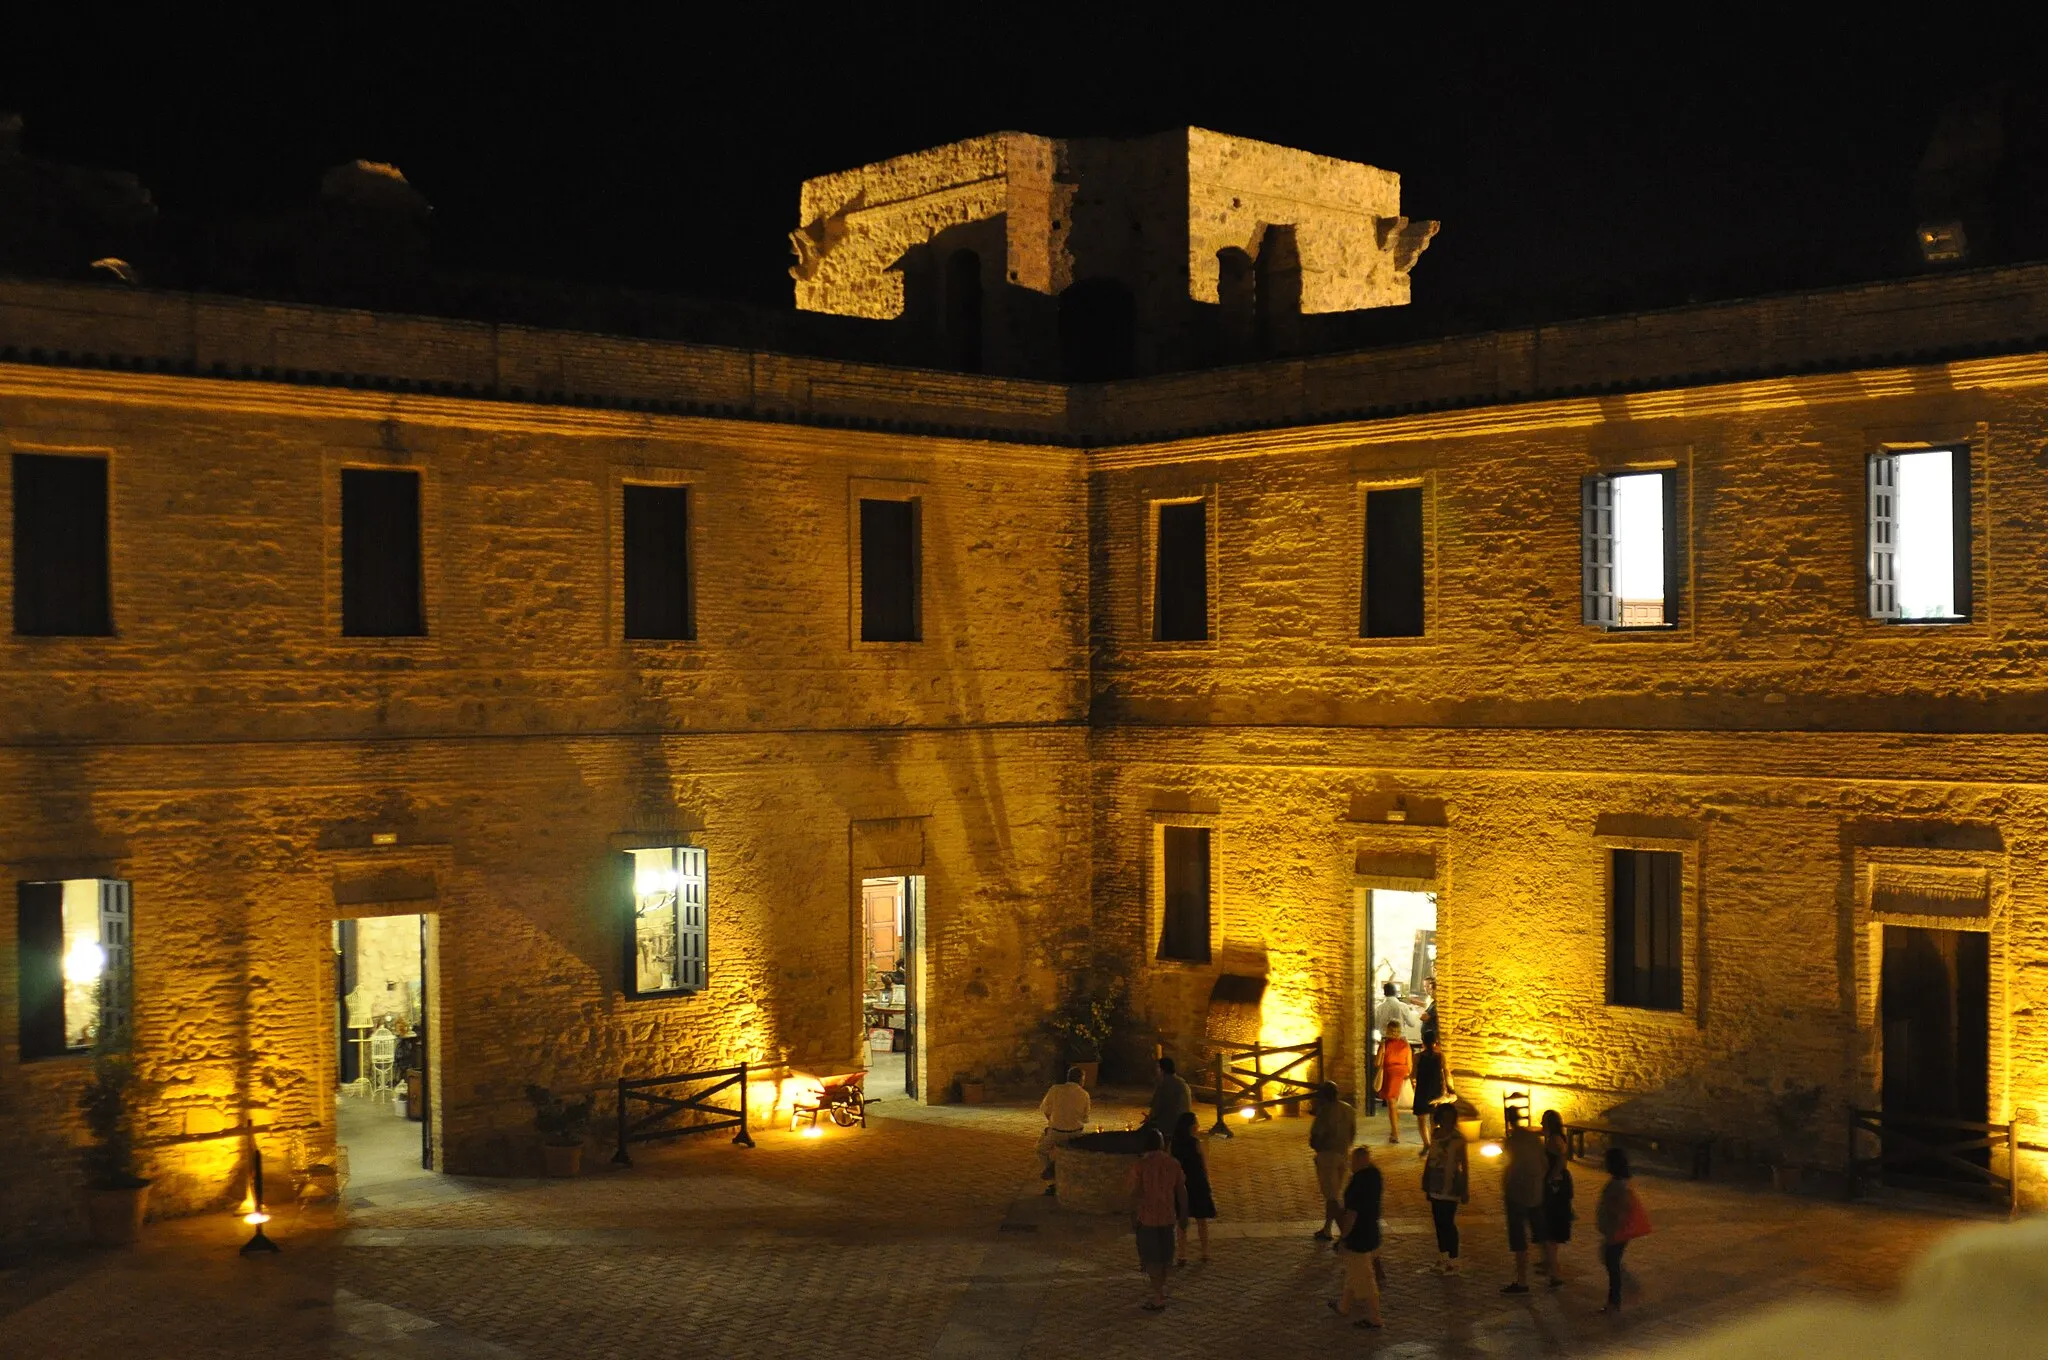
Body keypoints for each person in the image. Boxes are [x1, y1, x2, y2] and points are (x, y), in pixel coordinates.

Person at [1126, 1127, 1188, 1312]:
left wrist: (1132, 1215)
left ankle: (1158, 1294)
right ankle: (1160, 1290)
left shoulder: (1141, 1165)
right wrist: (1183, 1214)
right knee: (1164, 1256)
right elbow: (1181, 1191)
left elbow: (1135, 1192)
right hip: (1168, 1216)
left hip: (1148, 1218)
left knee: (1151, 1258)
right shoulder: (1173, 1163)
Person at [1327, 1145, 1384, 1329]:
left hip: (1358, 1236)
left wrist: (1343, 1238)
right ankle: (1344, 1306)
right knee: (1355, 1271)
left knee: (1364, 1277)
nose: (1350, 1164)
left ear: (1359, 1161)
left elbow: (1352, 1215)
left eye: (1353, 1160)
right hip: (1371, 1231)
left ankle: (1374, 1317)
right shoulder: (1375, 1177)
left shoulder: (1358, 1184)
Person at [1595, 1146, 1651, 1314]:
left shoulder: (1618, 1186)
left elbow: (1621, 1209)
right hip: (1615, 1231)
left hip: (1616, 1232)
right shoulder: (1619, 1183)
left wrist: (1613, 1230)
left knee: (1612, 1265)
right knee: (1610, 1260)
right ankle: (1626, 1291)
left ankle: (1617, 1300)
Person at [1500, 1106, 1548, 1294]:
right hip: (1535, 1192)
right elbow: (1543, 1163)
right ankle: (1554, 1274)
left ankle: (1522, 1281)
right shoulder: (1533, 1137)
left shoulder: (1512, 1142)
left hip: (1517, 1194)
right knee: (1540, 1233)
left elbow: (1510, 1165)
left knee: (1519, 1237)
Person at [1421, 1103, 1469, 1274]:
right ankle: (1443, 1258)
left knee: (1448, 1222)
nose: (1447, 1121)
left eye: (1450, 1118)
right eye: (1444, 1117)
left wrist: (1465, 1188)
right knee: (1438, 1222)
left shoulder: (1458, 1139)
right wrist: (1426, 1177)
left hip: (1450, 1186)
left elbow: (1464, 1164)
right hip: (1435, 1184)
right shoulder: (1435, 1135)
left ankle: (1454, 1260)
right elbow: (1431, 1157)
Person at [1308, 1081, 1357, 1241]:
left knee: (1332, 1197)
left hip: (1328, 1155)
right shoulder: (1348, 1110)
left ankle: (1346, 1233)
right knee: (1334, 1195)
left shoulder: (1325, 1112)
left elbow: (1315, 1138)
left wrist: (1318, 1149)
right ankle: (1327, 1228)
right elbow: (1352, 1133)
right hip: (1343, 1154)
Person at [1036, 1065, 1091, 1194]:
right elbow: (1085, 1118)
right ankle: (1061, 1172)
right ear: (1081, 1080)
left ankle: (1052, 1180)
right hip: (1076, 1133)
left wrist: (1052, 1123)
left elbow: (1046, 1110)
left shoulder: (1055, 1090)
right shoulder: (1084, 1094)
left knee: (1041, 1150)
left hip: (1056, 1132)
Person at [1170, 1111, 1216, 1265]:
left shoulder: (1174, 1143)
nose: (1198, 1125)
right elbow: (1204, 1163)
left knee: (1182, 1221)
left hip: (1181, 1184)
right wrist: (1208, 1182)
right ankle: (1205, 1252)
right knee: (1201, 1220)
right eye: (1196, 1122)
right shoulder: (1195, 1142)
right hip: (1197, 1183)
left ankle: (1182, 1254)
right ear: (1191, 1126)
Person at [1539, 1110, 1574, 1284]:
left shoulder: (1554, 1140)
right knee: (1550, 1228)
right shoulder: (1556, 1137)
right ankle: (1549, 1263)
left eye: (1543, 1121)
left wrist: (1551, 1177)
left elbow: (1560, 1159)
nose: (1540, 1123)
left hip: (1556, 1188)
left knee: (1550, 1229)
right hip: (1559, 1184)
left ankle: (1554, 1271)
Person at [1376, 1026, 1414, 1143]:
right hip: (1402, 1074)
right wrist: (1407, 1074)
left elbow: (1377, 1063)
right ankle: (1394, 1131)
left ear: (1387, 1031)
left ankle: (1395, 1134)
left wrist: (1381, 1051)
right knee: (1394, 1104)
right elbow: (1410, 1065)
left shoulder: (1385, 1044)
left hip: (1390, 1075)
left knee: (1391, 1104)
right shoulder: (1405, 1045)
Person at [1410, 1033, 1448, 1146]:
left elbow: (1413, 1075)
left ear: (1423, 1043)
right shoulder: (1440, 1056)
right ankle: (1435, 1142)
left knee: (1421, 1118)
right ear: (1435, 1042)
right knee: (1434, 1118)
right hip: (1436, 1089)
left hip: (1422, 1089)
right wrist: (1448, 1090)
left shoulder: (1417, 1057)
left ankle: (1426, 1144)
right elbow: (1446, 1073)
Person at [1146, 1056, 1192, 1137]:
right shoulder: (1183, 1083)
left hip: (1169, 1127)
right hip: (1184, 1125)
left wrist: (1150, 1118)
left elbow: (1155, 1110)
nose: (1155, 1070)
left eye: (1157, 1067)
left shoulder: (1164, 1085)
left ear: (1162, 1070)